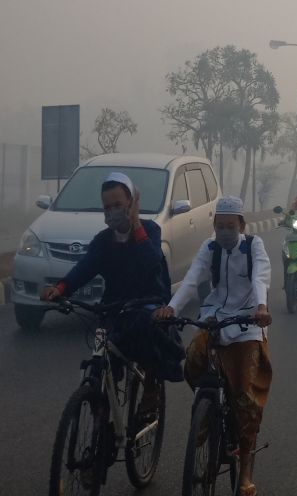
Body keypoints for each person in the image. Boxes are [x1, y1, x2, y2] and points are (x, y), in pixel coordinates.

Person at [42, 172, 185, 418]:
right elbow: (84, 268)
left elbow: (151, 263)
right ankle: (101, 417)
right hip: (114, 306)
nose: (112, 211)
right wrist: (61, 289)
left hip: (147, 303)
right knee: (98, 362)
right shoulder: (103, 240)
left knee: (151, 327)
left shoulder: (150, 229)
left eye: (118, 205)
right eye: (107, 207)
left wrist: (137, 222)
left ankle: (151, 386)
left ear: (131, 204)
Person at [156, 196, 271, 496]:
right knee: (193, 361)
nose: (224, 232)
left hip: (248, 325)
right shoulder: (210, 249)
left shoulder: (253, 247)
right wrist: (172, 308)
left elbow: (260, 276)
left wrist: (260, 306)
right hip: (215, 319)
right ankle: (207, 412)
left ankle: (245, 473)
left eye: (230, 227)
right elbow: (192, 280)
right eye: (219, 226)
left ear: (241, 226)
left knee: (246, 400)